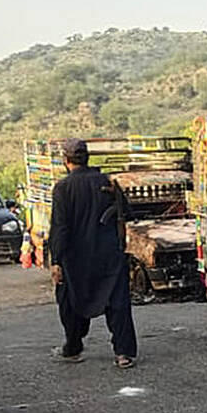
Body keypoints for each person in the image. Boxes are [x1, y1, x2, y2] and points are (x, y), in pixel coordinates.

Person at [50, 138, 138, 368]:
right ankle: (123, 353)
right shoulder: (107, 182)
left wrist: (56, 261)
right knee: (117, 302)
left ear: (66, 161)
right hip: (109, 253)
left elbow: (60, 227)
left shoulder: (63, 187)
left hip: (76, 258)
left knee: (69, 300)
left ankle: (73, 347)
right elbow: (127, 213)